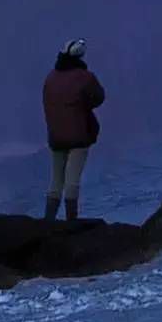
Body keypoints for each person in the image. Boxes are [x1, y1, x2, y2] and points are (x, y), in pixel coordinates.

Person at [41, 37, 106, 221]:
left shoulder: (50, 78)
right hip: (79, 136)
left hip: (55, 137)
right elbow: (99, 97)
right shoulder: (85, 77)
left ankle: (48, 221)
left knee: (55, 180)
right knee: (72, 180)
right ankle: (71, 221)